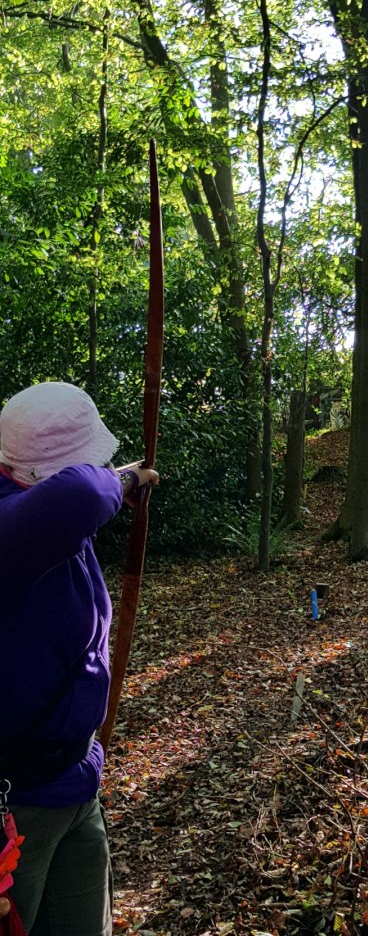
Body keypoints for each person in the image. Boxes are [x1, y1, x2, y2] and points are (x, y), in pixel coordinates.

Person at [0, 381, 159, 936]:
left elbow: (76, 497)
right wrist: (125, 480)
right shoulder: (12, 527)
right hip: (15, 805)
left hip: (75, 783)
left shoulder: (42, 522)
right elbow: (84, 494)